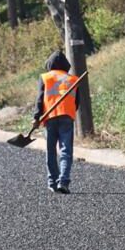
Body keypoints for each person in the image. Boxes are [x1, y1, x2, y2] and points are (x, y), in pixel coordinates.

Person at [34, 50, 81, 194]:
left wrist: (36, 117)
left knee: (50, 151)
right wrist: (68, 111)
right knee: (66, 151)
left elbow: (40, 99)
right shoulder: (73, 79)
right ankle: (64, 182)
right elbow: (77, 102)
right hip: (67, 117)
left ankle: (52, 182)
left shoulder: (45, 77)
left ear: (49, 64)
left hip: (50, 118)